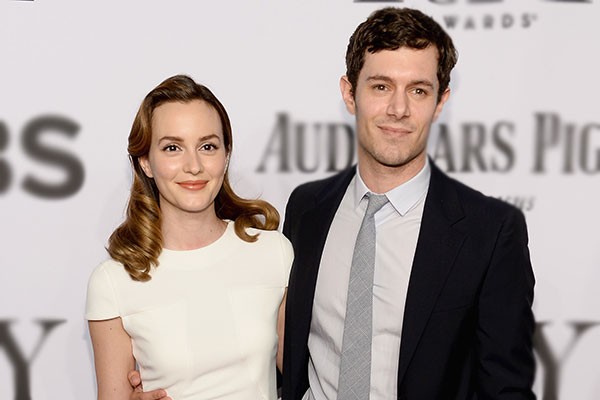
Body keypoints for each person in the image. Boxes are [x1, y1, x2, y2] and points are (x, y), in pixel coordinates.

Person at [281, 7, 536, 400]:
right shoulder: (307, 210)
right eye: (381, 86)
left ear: (440, 101)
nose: (398, 109)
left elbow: (505, 388)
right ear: (350, 94)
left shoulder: (490, 232)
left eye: (418, 90)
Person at [86, 74, 293, 400]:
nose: (193, 165)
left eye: (207, 146)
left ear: (225, 156)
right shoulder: (114, 281)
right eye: (172, 148)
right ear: (146, 162)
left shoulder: (274, 253)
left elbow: (305, 381)